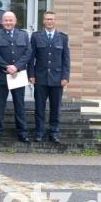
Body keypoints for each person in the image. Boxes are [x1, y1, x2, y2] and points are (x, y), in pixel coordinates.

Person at [0, 12, 32, 143]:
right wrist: (7, 67)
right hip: (2, 74)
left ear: (15, 21)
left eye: (11, 20)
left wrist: (16, 67)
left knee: (19, 105)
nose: (8, 23)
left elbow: (28, 52)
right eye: (6, 20)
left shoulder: (23, 35)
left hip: (18, 75)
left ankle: (22, 132)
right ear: (2, 22)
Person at [28, 11, 70, 143]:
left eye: (51, 19)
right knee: (39, 107)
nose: (49, 21)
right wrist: (31, 74)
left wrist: (65, 76)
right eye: (47, 19)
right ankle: (39, 132)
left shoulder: (63, 37)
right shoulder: (36, 36)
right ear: (43, 21)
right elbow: (31, 57)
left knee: (55, 107)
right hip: (40, 77)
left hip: (57, 78)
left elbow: (66, 59)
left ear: (55, 21)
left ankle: (54, 132)